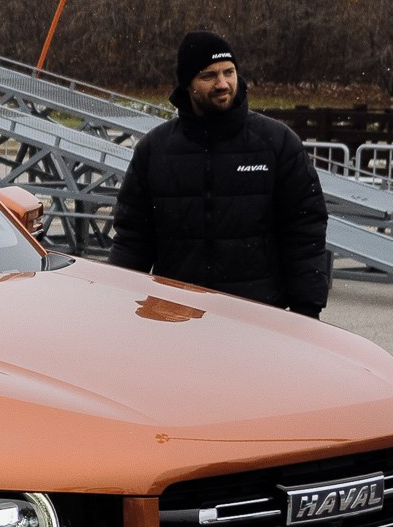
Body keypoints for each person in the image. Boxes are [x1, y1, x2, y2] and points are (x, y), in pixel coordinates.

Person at [109, 29, 330, 318]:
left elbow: (305, 230)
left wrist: (307, 308)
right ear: (188, 83)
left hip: (257, 318)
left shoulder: (277, 143)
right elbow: (133, 237)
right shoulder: (154, 150)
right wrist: (114, 300)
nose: (222, 83)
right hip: (177, 318)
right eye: (209, 75)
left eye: (229, 72)